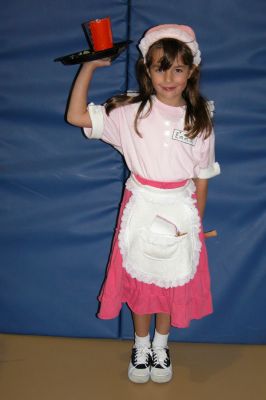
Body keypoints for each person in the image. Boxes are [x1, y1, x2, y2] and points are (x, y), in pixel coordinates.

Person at [66, 24, 220, 384]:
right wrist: (89, 65)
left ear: (191, 72)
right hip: (142, 204)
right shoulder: (130, 112)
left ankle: (161, 345)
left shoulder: (200, 119)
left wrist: (196, 223)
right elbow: (76, 117)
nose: (169, 77)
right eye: (159, 67)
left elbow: (202, 176)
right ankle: (140, 345)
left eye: (178, 69)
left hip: (179, 204)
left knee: (171, 279)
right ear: (146, 71)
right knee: (140, 277)